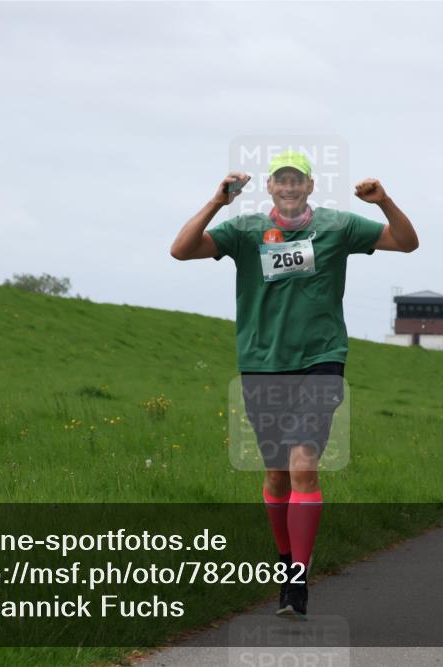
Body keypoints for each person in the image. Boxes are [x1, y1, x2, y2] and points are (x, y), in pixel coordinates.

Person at [171, 150, 418, 617]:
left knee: (304, 463)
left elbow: (406, 243)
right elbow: (180, 250)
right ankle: (285, 561)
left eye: (296, 180)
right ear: (270, 187)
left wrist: (384, 202)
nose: (288, 187)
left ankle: (299, 581)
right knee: (276, 474)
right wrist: (216, 202)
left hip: (321, 361)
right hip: (262, 365)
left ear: (308, 186)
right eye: (280, 180)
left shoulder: (337, 226)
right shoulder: (243, 232)